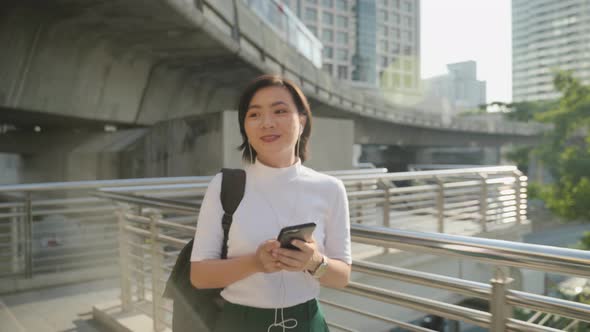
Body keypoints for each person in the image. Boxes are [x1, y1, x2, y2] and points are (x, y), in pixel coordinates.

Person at [190, 74, 351, 332]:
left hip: (307, 322)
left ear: (302, 120)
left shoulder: (331, 189)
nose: (267, 123)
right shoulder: (224, 185)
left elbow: (342, 277)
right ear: (245, 126)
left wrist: (313, 262)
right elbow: (199, 276)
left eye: (279, 111)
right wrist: (255, 263)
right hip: (238, 323)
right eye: (254, 115)